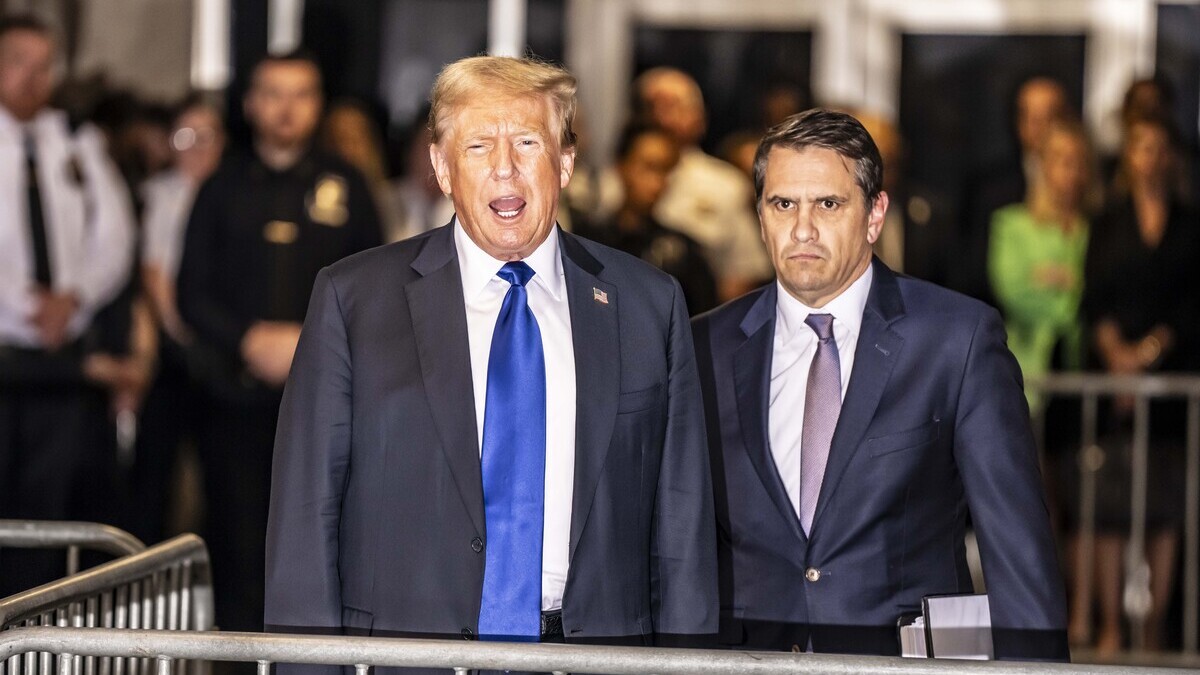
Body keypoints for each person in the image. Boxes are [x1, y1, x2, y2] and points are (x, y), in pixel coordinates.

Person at [265, 56, 716, 668]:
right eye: (478, 145)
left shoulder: (647, 304)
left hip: (597, 656)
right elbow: (305, 514)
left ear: (565, 161)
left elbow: (682, 526)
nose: (505, 168)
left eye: (528, 142)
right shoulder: (354, 300)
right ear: (442, 167)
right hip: (406, 655)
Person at [691, 109, 1068, 660]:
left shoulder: (956, 340)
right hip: (751, 662)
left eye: (828, 203)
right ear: (760, 216)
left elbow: (1017, 550)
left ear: (874, 215)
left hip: (905, 664)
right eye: (783, 204)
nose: (802, 228)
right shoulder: (706, 347)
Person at [176, 49, 383, 635]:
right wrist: (248, 339)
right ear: (250, 103)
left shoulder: (348, 185)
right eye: (273, 93)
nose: (287, 109)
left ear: (319, 104)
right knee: (237, 542)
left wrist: (308, 344)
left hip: (327, 403)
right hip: (233, 402)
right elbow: (192, 291)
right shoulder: (221, 187)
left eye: (301, 94)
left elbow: (381, 289)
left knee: (323, 540)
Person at [0, 15, 136, 594]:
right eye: (17, 63)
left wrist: (73, 299)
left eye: (43, 66)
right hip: (6, 347)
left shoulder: (73, 141)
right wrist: (24, 306)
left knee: (50, 524)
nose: (33, 79)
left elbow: (116, 235)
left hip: (64, 359)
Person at [1075, 114, 1200, 655]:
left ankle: (1151, 629)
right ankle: (1109, 627)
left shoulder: (1191, 223)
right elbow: (1093, 296)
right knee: (1107, 508)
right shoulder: (1107, 221)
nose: (1148, 157)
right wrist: (1118, 359)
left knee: (1165, 513)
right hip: (1112, 390)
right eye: (1139, 147)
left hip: (1171, 383)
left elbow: (1192, 303)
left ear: (1170, 155)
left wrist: (1147, 355)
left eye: (1157, 147)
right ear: (1127, 157)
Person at [634, 67, 772, 301]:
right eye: (650, 106)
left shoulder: (726, 184)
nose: (661, 116)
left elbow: (743, 273)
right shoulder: (611, 185)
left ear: (699, 116)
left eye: (673, 106)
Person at [988, 119, 1092, 405]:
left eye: (1078, 161)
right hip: (1026, 379)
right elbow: (1015, 294)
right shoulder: (1010, 224)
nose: (1070, 172)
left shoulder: (1093, 230)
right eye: (1061, 160)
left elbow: (1098, 297)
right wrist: (1075, 289)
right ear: (1041, 164)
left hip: (1080, 376)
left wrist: (1054, 282)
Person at [576, 125, 717, 315]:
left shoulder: (683, 250)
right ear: (621, 166)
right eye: (649, 167)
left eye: (665, 170)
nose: (657, 182)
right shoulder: (586, 240)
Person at [957, 77, 1070, 302]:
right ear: (1019, 122)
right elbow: (973, 269)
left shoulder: (1085, 186)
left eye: (1050, 117)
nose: (1042, 128)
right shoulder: (990, 188)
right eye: (1033, 118)